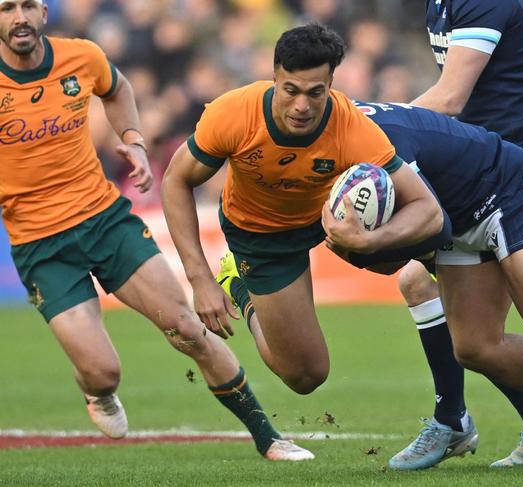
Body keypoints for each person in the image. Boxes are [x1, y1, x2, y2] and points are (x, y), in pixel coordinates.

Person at [0, 0, 312, 462]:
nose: (19, 18)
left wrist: (133, 141)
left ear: (45, 13)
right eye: (7, 8)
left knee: (187, 327)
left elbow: (118, 88)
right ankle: (98, 391)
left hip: (104, 220)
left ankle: (269, 438)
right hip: (39, 244)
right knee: (104, 372)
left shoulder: (80, 57)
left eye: (28, 6)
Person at [324, 100, 523, 470]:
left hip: (506, 190)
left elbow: (432, 227)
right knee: (476, 347)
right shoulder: (334, 131)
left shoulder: (375, 142)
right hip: (462, 220)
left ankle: (461, 421)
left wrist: (362, 244)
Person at [161, 23, 448, 399]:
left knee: (427, 244)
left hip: (330, 219)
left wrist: (372, 239)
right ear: (274, 77)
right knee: (305, 376)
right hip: (261, 232)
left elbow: (427, 208)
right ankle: (241, 287)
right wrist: (200, 280)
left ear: (331, 84)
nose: (302, 106)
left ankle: (462, 392)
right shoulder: (233, 113)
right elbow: (175, 181)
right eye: (291, 90)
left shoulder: (350, 127)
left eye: (316, 93)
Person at [390, 0, 523, 470]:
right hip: (483, 174)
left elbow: (449, 99)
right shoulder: (439, 5)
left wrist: (370, 125)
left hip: (519, 174)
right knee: (443, 306)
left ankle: (459, 420)